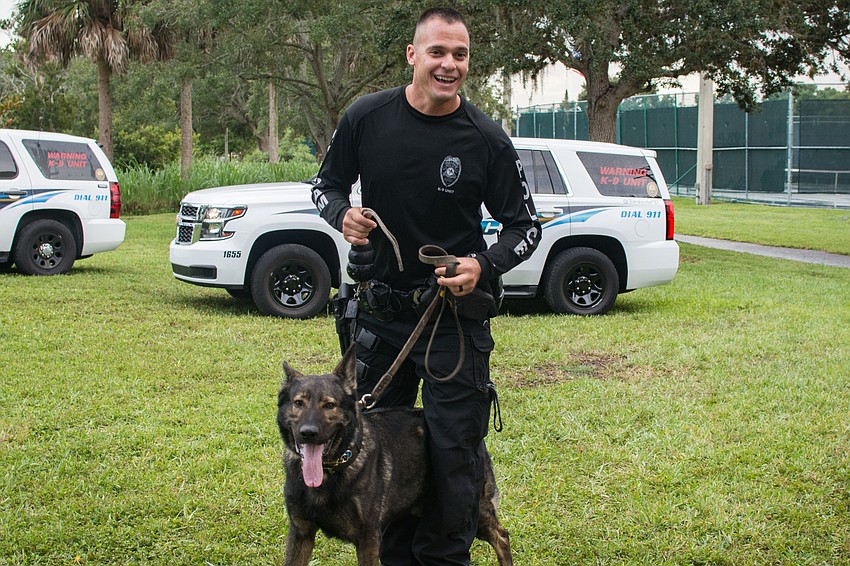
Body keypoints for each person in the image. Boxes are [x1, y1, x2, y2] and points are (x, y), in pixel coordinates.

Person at [311, 7, 540, 565]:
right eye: (438, 51)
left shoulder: (484, 137)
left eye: (460, 54)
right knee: (370, 449)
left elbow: (525, 227)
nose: (449, 64)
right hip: (379, 320)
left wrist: (482, 265)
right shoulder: (367, 117)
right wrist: (342, 213)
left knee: (453, 455)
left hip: (451, 325)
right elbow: (325, 186)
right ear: (413, 55)